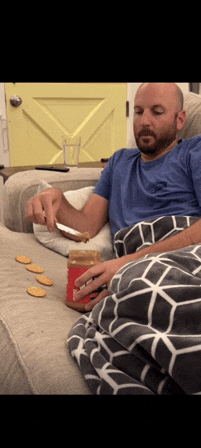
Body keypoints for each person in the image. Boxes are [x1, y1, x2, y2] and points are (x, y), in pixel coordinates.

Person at [25, 83, 201, 312]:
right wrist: (55, 200)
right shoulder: (119, 163)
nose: (144, 121)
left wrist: (128, 264)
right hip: (135, 274)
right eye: (138, 112)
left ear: (180, 120)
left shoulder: (193, 152)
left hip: (180, 261)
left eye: (157, 112)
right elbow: (85, 227)